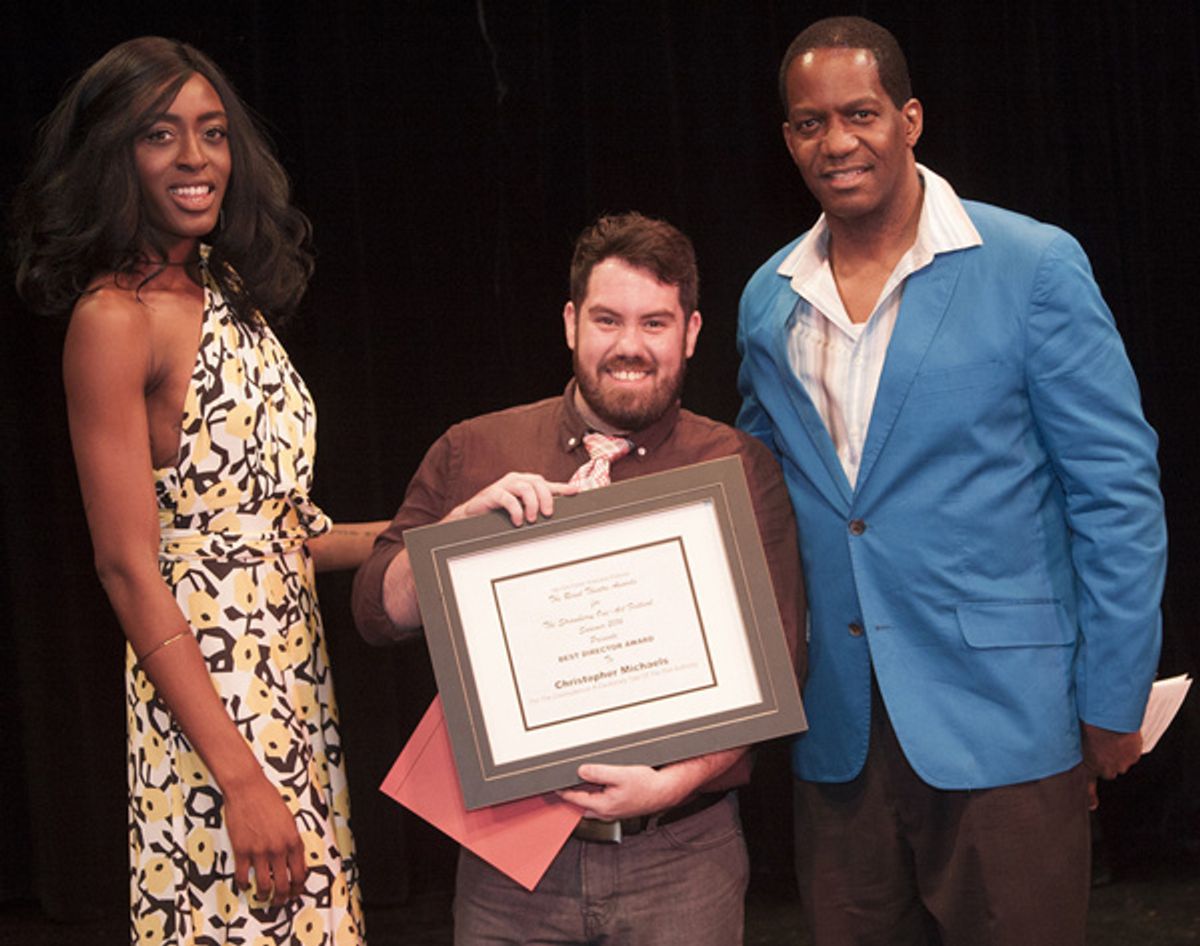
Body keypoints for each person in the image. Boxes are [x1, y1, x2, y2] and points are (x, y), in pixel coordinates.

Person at [735, 15, 1167, 946]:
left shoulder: (1032, 265)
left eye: (860, 114)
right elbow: (754, 496)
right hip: (841, 733)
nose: (837, 141)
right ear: (788, 140)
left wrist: (1114, 698)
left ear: (910, 119)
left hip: (1007, 721)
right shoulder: (769, 298)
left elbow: (1117, 493)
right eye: (810, 123)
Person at [12, 37, 385, 946]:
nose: (195, 158)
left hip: (292, 688)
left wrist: (437, 532)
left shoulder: (224, 289)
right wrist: (241, 778)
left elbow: (282, 536)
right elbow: (126, 566)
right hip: (211, 717)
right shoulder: (113, 320)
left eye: (212, 133)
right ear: (115, 156)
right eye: (160, 134)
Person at [353, 211, 805, 945]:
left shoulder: (737, 468)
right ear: (570, 323)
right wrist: (454, 535)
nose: (630, 346)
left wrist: (671, 782)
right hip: (507, 860)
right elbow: (377, 613)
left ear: (691, 332)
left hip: (681, 857)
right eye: (607, 319)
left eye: (655, 323)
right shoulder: (475, 449)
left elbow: (781, 666)